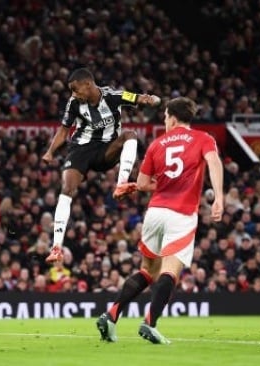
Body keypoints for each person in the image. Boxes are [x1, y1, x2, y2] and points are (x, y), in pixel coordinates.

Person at [96, 97, 224, 344]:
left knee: (148, 271)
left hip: (154, 213)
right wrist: (219, 197)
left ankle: (111, 315)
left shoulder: (157, 144)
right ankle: (150, 323)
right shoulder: (203, 139)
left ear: (173, 118)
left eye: (165, 117)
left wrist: (135, 185)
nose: (165, 121)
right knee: (169, 272)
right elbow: (214, 162)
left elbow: (143, 184)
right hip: (181, 214)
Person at [42, 68, 161, 263]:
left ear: (88, 85)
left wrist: (153, 100)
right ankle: (56, 247)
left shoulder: (114, 96)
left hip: (107, 150)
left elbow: (142, 98)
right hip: (81, 150)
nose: (73, 94)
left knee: (130, 136)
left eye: (76, 89)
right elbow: (64, 132)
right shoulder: (74, 103)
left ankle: (122, 183)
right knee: (67, 188)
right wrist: (50, 152)